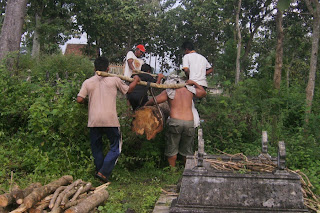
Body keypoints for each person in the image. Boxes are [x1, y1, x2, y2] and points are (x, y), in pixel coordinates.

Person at [76, 56, 141, 183]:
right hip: (110, 120)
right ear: (108, 68)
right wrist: (136, 80)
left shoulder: (88, 82)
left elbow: (79, 99)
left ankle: (100, 172)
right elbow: (128, 90)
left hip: (93, 120)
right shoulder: (114, 80)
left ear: (95, 68)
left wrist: (86, 101)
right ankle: (103, 173)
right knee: (116, 146)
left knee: (97, 148)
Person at [145, 76, 206, 167]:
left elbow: (154, 100)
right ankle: (186, 169)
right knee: (187, 149)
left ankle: (172, 171)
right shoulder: (190, 90)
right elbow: (203, 93)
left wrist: (144, 106)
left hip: (175, 121)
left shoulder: (169, 91)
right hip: (189, 122)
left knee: (172, 147)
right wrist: (194, 83)